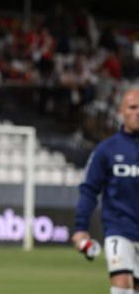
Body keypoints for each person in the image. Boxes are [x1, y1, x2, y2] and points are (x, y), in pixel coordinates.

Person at [72, 89, 139, 294]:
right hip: (119, 228)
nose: (138, 112)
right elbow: (89, 189)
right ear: (121, 111)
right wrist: (81, 227)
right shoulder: (106, 150)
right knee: (121, 284)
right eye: (133, 107)